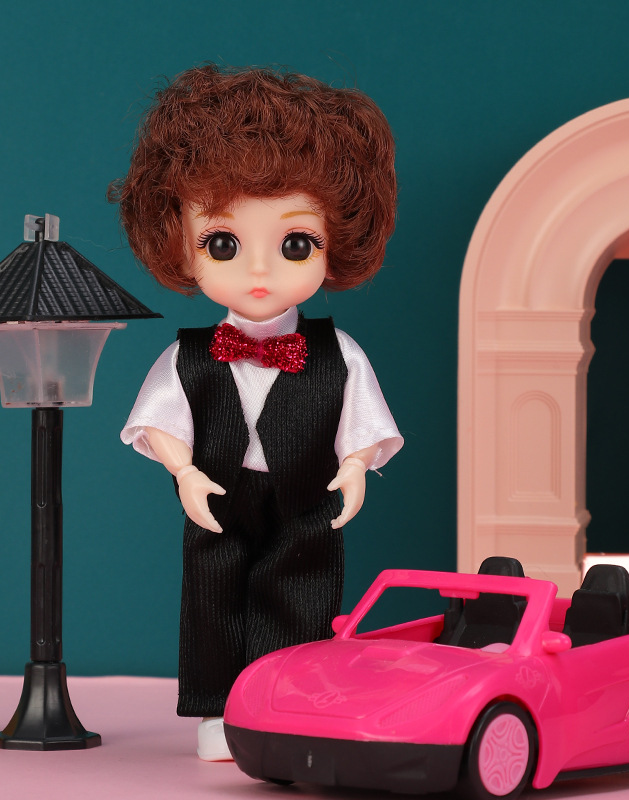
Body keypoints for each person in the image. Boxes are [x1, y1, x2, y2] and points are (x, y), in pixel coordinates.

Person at [110, 64, 403, 761]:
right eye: (223, 244)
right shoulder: (191, 355)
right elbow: (160, 420)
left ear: (337, 240)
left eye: (295, 243)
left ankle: (288, 706)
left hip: (306, 495)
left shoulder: (337, 354)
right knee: (213, 595)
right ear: (179, 244)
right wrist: (183, 471)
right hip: (219, 491)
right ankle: (219, 711)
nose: (260, 272)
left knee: (301, 595)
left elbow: (361, 421)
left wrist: (356, 466)